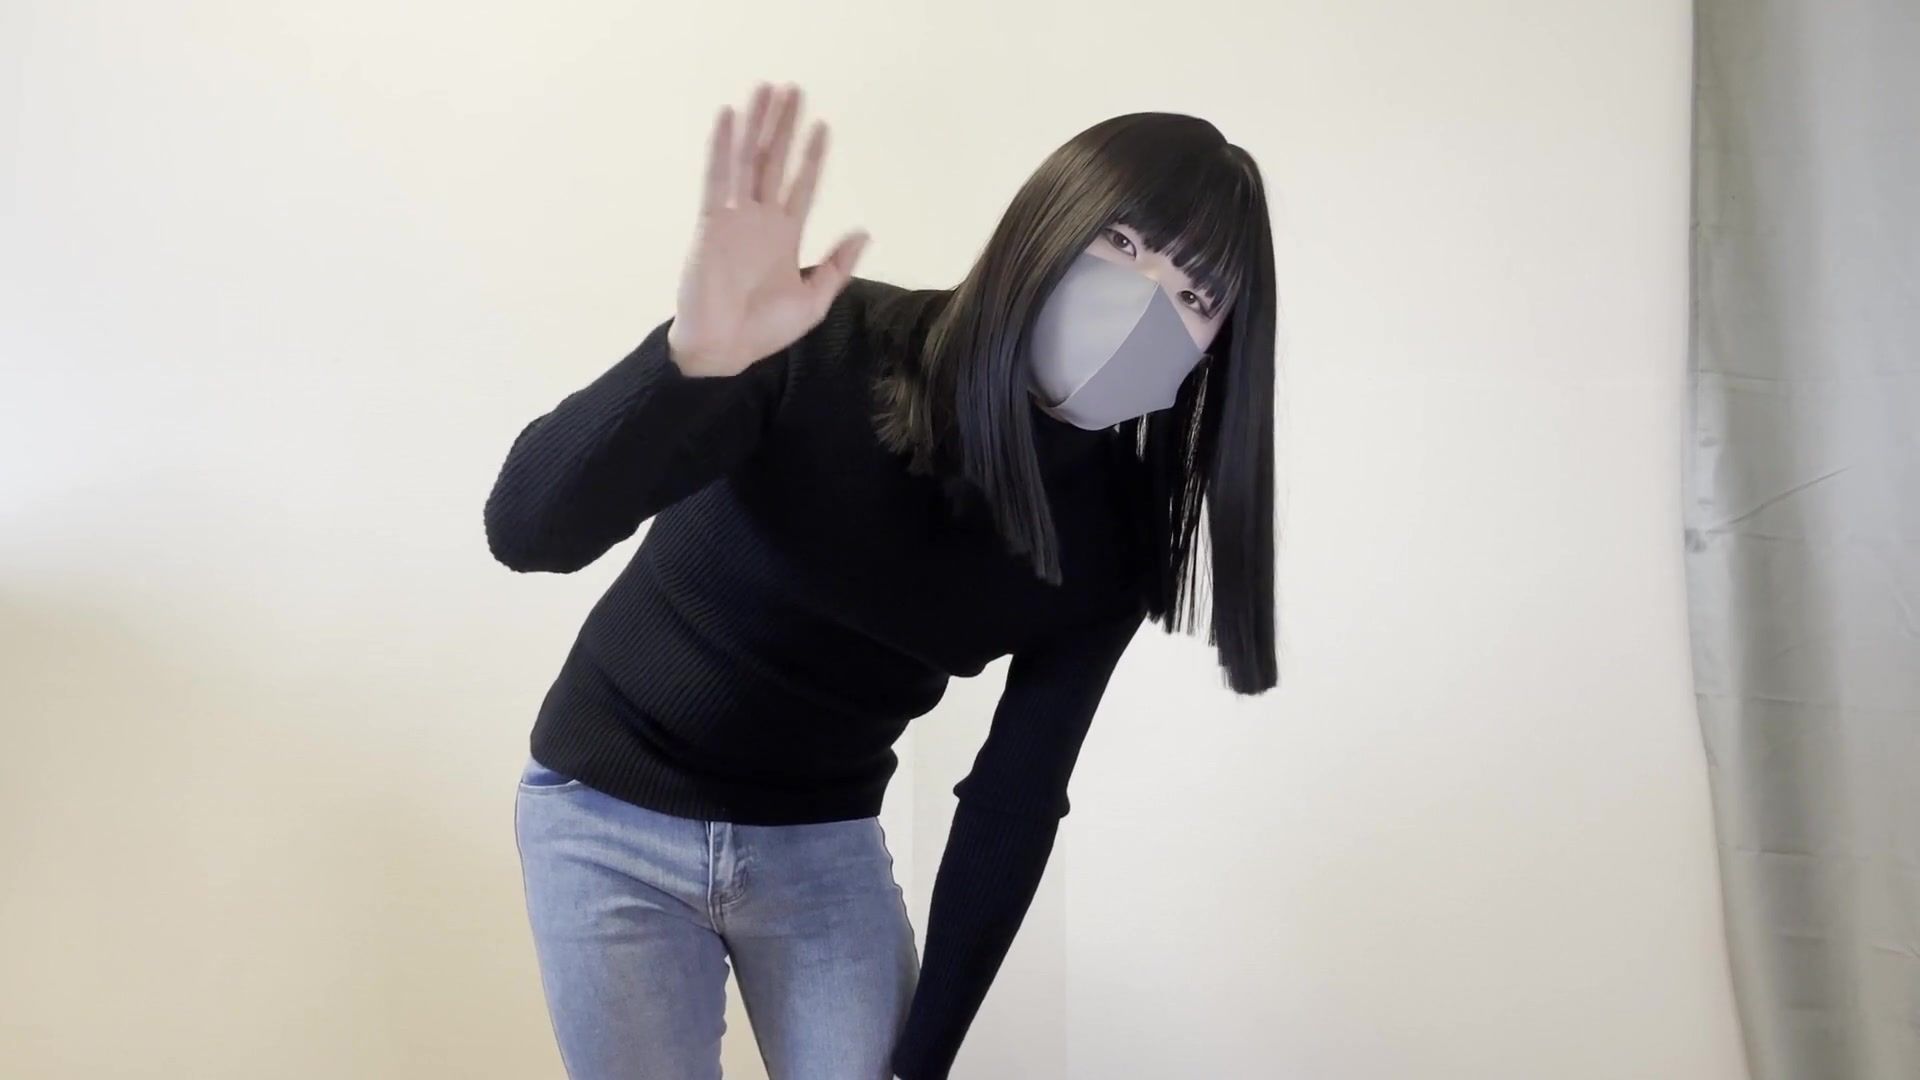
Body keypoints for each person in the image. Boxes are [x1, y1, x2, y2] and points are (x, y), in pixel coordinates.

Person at [487, 80, 1278, 1080]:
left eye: (1196, 297)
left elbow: (1016, 797)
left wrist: (923, 1059)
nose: (1146, 302)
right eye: (1122, 243)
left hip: (820, 846)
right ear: (1046, 222)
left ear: (1218, 351)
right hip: (606, 810)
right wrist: (689, 360)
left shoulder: (1116, 539)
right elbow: (527, 532)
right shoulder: (823, 337)